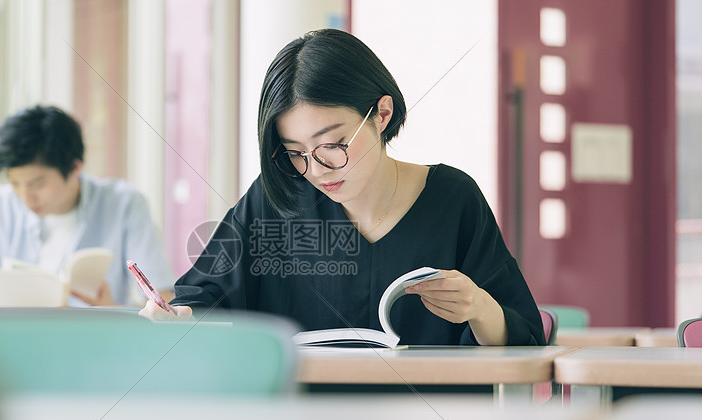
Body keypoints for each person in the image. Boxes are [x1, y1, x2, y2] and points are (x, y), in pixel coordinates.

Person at [141, 29, 543, 346]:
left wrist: (478, 308)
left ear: (382, 114)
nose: (315, 170)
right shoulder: (275, 198)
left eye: (332, 146)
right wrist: (178, 319)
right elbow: (202, 297)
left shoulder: (452, 199)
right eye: (295, 152)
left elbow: (522, 338)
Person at [0, 105, 174, 307]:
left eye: (37, 184)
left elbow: (163, 302)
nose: (25, 197)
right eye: (14, 183)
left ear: (75, 168)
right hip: (3, 353)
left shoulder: (124, 205)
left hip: (93, 352)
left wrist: (113, 313)